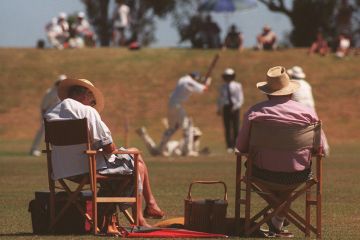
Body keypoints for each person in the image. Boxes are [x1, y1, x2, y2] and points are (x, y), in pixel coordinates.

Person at [44, 78, 164, 232]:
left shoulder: (50, 114)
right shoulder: (87, 111)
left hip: (62, 170)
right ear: (86, 95)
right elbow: (108, 147)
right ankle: (140, 217)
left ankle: (147, 207)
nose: (92, 104)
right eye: (92, 101)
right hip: (90, 169)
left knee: (134, 157)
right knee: (137, 161)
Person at [236, 66, 329, 237]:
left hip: (261, 174)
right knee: (288, 181)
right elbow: (319, 149)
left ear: (267, 93)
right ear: (291, 93)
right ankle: (278, 217)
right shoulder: (308, 114)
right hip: (298, 175)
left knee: (248, 169)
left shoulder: (254, 112)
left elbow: (241, 147)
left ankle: (277, 215)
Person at [156, 72, 211, 156]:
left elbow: (194, 87)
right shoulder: (190, 81)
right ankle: (188, 151)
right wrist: (207, 82)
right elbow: (204, 89)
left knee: (172, 128)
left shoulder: (182, 79)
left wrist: (200, 84)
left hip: (171, 104)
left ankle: (161, 149)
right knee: (188, 127)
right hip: (177, 105)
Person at [287, 66, 330, 156]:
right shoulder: (307, 84)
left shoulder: (291, 84)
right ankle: (324, 148)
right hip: (311, 109)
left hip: (299, 109)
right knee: (317, 128)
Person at [30, 74, 67, 156]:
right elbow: (44, 107)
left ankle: (58, 150)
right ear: (57, 82)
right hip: (48, 115)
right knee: (42, 132)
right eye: (60, 82)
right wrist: (44, 118)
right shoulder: (50, 92)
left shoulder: (65, 92)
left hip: (60, 116)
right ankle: (34, 149)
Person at [136, 118, 208, 157]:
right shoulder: (185, 142)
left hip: (168, 148)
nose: (197, 138)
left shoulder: (193, 143)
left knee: (154, 152)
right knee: (157, 152)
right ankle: (143, 134)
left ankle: (143, 134)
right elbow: (182, 151)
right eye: (196, 136)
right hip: (168, 149)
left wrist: (199, 152)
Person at [217, 68, 244, 153]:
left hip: (235, 107)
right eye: (226, 76)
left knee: (236, 127)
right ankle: (229, 146)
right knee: (227, 127)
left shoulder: (237, 85)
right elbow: (220, 99)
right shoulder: (222, 87)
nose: (228, 78)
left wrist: (236, 107)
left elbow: (240, 98)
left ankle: (236, 145)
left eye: (230, 76)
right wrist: (219, 108)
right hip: (226, 107)